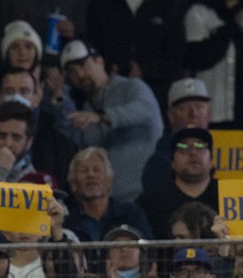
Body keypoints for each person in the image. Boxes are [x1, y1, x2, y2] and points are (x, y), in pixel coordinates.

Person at [55, 41, 162, 205]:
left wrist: (103, 117)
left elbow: (147, 110)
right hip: (109, 203)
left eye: (84, 65)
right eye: (72, 72)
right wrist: (60, 99)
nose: (81, 75)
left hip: (145, 197)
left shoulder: (131, 86)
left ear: (100, 61)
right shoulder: (86, 110)